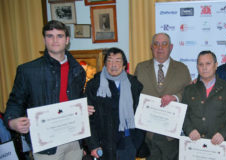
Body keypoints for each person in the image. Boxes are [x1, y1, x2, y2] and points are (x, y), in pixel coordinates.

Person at [4, 20, 86, 160]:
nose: (55, 40)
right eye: (50, 36)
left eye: (59, 36)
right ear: (44, 39)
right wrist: (12, 121)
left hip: (73, 140)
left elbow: (77, 99)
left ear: (67, 40)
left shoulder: (78, 70)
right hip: (47, 144)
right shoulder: (27, 70)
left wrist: (84, 108)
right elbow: (15, 102)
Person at [134, 32, 191, 160]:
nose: (160, 48)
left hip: (172, 134)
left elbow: (189, 93)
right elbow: (134, 96)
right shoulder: (141, 68)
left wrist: (175, 97)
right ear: (151, 47)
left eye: (164, 44)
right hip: (147, 134)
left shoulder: (182, 69)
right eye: (156, 44)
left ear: (171, 47)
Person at [85, 47, 145, 160]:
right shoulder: (94, 86)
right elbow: (89, 119)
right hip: (103, 144)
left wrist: (136, 142)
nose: (113, 65)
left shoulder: (134, 85)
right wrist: (93, 145)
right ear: (105, 64)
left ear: (124, 65)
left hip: (128, 142)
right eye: (110, 60)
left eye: (118, 61)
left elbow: (141, 113)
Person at [182, 50, 226, 147]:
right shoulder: (189, 89)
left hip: (219, 144)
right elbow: (183, 114)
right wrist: (189, 130)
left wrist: (224, 133)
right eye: (201, 64)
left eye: (208, 63)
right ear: (197, 66)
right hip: (194, 144)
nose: (204, 68)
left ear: (216, 65)